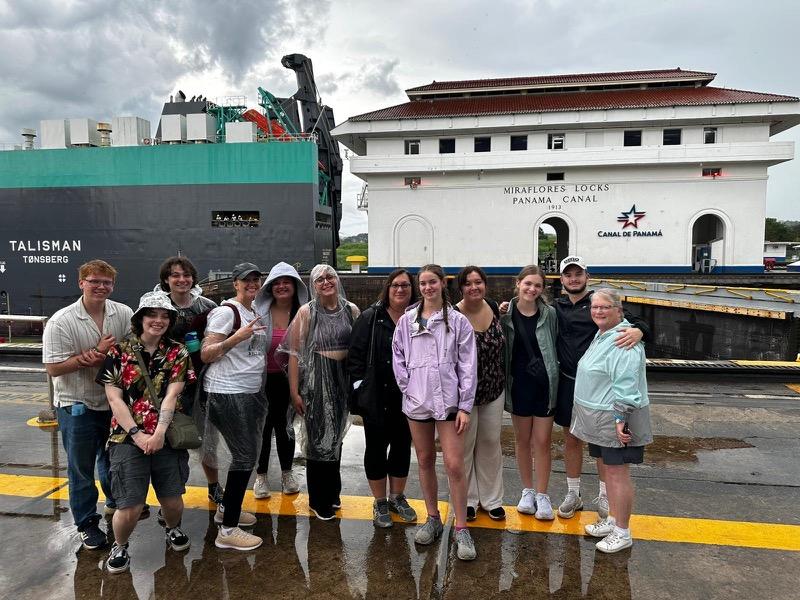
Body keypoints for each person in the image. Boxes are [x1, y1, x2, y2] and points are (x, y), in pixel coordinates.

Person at [97, 291, 195, 573]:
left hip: (166, 436)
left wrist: (159, 432)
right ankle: (120, 545)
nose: (159, 321)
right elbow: (114, 399)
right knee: (129, 505)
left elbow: (172, 395)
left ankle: (172, 527)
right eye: (152, 314)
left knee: (173, 499)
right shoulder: (117, 352)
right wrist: (138, 435)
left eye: (165, 316)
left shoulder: (178, 352)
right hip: (126, 438)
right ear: (140, 318)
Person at [43, 259, 133, 550]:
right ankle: (86, 523)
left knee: (113, 460)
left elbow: (132, 352)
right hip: (75, 404)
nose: (101, 286)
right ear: (81, 283)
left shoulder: (123, 313)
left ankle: (116, 501)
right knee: (80, 468)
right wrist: (94, 354)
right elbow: (54, 368)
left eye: (106, 282)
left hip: (112, 402)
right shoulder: (62, 321)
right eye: (94, 281)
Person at [392, 264, 478, 561]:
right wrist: (410, 387)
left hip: (449, 403)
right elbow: (398, 358)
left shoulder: (458, 322)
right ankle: (433, 518)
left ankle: (462, 527)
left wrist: (465, 405)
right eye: (423, 283)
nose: (428, 287)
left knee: (455, 464)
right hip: (417, 402)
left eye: (433, 282)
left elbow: (468, 366)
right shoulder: (406, 322)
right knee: (425, 460)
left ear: (443, 284)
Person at [554, 257, 650, 521]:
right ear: (561, 280)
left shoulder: (599, 303)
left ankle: (605, 494)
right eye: (568, 275)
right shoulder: (556, 306)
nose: (573, 279)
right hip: (569, 382)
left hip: (601, 387)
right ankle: (573, 493)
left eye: (578, 274)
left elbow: (635, 322)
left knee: (602, 442)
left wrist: (640, 331)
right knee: (571, 439)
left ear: (587, 276)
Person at [570, 288, 652, 553]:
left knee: (617, 474)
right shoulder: (602, 333)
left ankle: (623, 531)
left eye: (605, 307)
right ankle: (613, 520)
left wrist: (621, 418)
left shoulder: (623, 339)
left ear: (619, 310)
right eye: (595, 307)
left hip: (613, 416)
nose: (598, 311)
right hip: (598, 417)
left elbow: (626, 383)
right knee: (607, 468)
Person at [279, 264, 360, 521]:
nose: (326, 282)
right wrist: (295, 391)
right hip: (316, 381)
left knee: (336, 437)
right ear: (313, 285)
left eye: (330, 277)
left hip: (342, 380)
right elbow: (293, 356)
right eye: (319, 279)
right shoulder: (307, 312)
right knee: (317, 441)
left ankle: (332, 492)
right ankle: (318, 498)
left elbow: (359, 349)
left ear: (337, 280)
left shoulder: (351, 310)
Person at [201, 262, 269, 551]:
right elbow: (206, 353)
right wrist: (234, 338)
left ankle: (225, 509)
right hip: (227, 391)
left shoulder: (252, 311)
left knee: (248, 455)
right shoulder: (225, 312)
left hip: (247, 391)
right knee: (244, 456)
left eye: (256, 279)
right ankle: (228, 531)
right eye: (246, 280)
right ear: (235, 284)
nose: (252, 284)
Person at [347, 268, 419, 528]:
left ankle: (397, 496)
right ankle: (379, 501)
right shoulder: (371, 317)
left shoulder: (418, 318)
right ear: (387, 289)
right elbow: (355, 355)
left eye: (406, 286)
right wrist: (359, 387)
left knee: (402, 447)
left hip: (409, 396)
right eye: (395, 285)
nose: (400, 290)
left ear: (413, 290)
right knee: (376, 448)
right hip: (376, 395)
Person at [156, 256, 224, 505]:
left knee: (209, 437)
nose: (181, 280)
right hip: (164, 384)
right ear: (166, 279)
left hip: (201, 382)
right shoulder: (156, 306)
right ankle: (171, 492)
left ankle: (214, 486)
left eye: (186, 275)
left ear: (193, 279)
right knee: (170, 439)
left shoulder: (206, 306)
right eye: (175, 275)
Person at [501, 265, 559, 520]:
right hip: (518, 384)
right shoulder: (505, 315)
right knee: (522, 441)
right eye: (528, 284)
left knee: (543, 441)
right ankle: (527, 491)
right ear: (518, 283)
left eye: (537, 285)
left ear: (542, 289)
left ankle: (543, 494)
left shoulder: (551, 315)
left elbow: (557, 344)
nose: (532, 289)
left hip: (544, 384)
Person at [454, 266, 506, 522]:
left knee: (490, 444)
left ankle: (492, 499)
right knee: (464, 448)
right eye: (468, 283)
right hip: (464, 395)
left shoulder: (494, 307)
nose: (474, 287)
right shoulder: (453, 314)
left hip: (494, 389)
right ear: (461, 287)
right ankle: (468, 500)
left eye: (478, 282)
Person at [252, 262, 308, 498]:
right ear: (270, 287)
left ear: (295, 286)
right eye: (277, 283)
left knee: (286, 428)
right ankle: (261, 475)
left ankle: (287, 472)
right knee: (262, 429)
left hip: (291, 381)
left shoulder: (304, 312)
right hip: (262, 380)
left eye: (287, 282)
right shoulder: (258, 311)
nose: (282, 286)